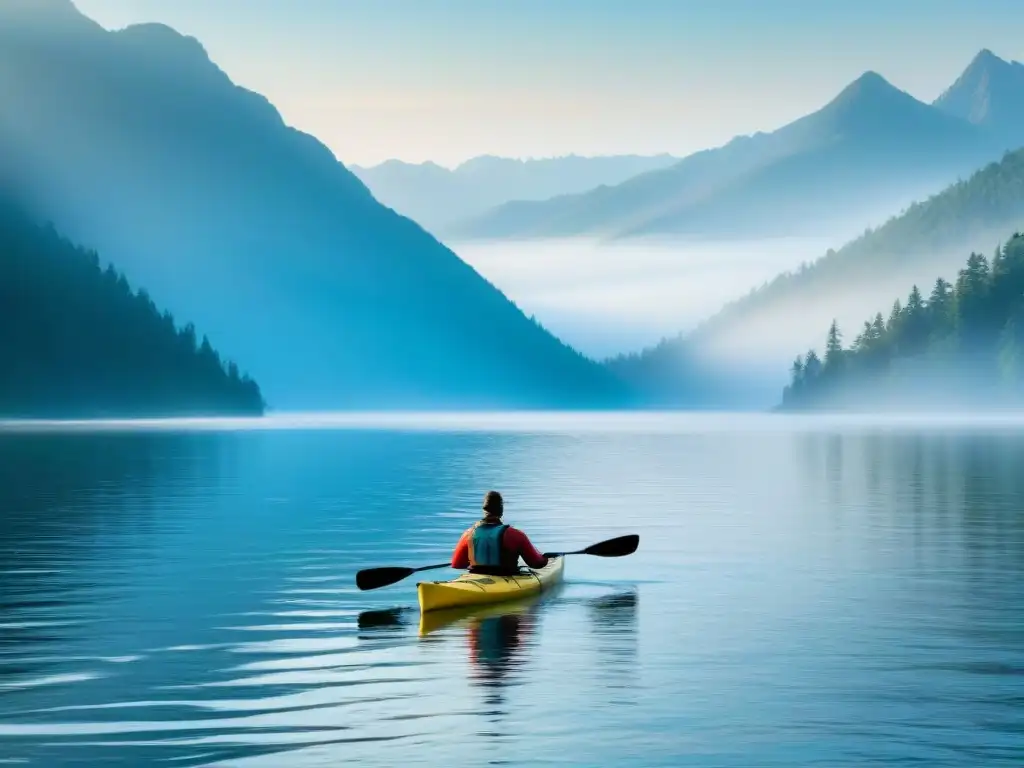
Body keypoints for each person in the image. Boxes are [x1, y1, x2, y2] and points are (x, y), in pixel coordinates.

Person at [451, 491, 549, 575]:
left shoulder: (468, 534)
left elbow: (457, 565)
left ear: (484, 510)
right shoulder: (515, 535)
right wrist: (545, 558)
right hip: (505, 579)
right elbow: (536, 563)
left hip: (476, 579)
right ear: (501, 511)